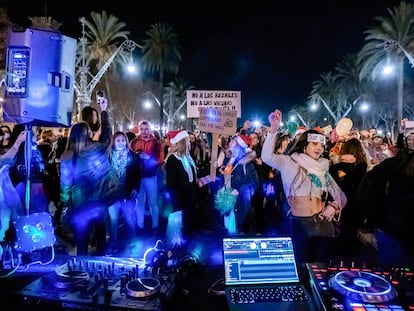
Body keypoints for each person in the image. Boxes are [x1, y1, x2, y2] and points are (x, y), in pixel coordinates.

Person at [262, 109, 347, 264]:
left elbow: (341, 195)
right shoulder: (289, 162)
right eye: (314, 144)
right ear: (304, 145)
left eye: (321, 145)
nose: (319, 148)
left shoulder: (323, 167)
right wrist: (273, 130)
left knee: (321, 268)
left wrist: (333, 206)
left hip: (323, 225)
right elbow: (267, 157)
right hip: (299, 224)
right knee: (299, 267)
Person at [59, 97, 122, 256]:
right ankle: (100, 268)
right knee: (101, 234)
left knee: (81, 239)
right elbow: (107, 136)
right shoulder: (96, 148)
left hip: (79, 203)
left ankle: (81, 269)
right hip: (99, 199)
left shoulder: (67, 156)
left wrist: (65, 202)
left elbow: (65, 183)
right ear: (87, 134)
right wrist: (104, 112)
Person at [329, 137, 368, 257]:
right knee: (352, 237)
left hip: (338, 206)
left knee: (338, 237)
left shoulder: (334, 168)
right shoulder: (362, 168)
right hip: (356, 206)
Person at [107, 131, 141, 254]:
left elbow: (138, 175)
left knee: (130, 219)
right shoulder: (108, 156)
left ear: (126, 141)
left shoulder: (133, 156)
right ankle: (113, 243)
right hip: (112, 194)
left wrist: (135, 189)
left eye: (122, 140)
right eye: (118, 140)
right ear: (113, 142)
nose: (121, 143)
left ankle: (133, 243)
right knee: (113, 220)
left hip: (127, 193)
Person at [218, 133, 259, 235]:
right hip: (227, 202)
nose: (230, 143)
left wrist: (239, 191)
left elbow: (254, 183)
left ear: (239, 145)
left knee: (237, 232)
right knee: (228, 231)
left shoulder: (246, 163)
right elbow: (227, 179)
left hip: (240, 206)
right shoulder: (229, 160)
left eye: (233, 141)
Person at [164, 130, 198, 248]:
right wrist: (175, 201)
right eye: (187, 141)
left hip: (189, 197)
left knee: (188, 224)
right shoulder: (173, 159)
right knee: (179, 226)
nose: (189, 144)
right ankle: (178, 248)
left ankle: (187, 245)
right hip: (180, 198)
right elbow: (171, 183)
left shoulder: (188, 158)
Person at [129, 120, 162, 235]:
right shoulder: (134, 142)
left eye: (146, 129)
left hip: (150, 176)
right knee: (140, 202)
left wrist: (149, 159)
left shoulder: (156, 143)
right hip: (138, 177)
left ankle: (155, 226)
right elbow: (129, 157)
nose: (144, 131)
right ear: (139, 129)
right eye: (142, 129)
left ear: (150, 129)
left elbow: (160, 160)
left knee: (153, 202)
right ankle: (140, 225)